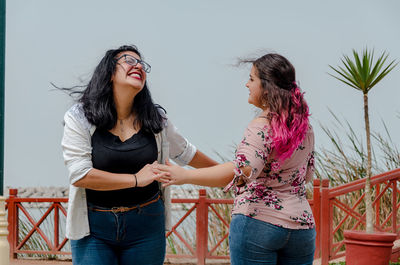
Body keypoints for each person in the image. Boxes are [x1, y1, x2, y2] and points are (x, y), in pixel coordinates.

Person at [61, 45, 217, 265]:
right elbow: (80, 174)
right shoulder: (80, 117)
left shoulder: (156, 119)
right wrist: (136, 180)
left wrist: (230, 173)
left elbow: (186, 153)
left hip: (146, 227)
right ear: (109, 73)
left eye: (142, 63)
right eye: (128, 60)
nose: (138, 66)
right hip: (94, 228)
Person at [155, 53, 316, 265]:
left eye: (252, 79)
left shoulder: (261, 126)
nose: (246, 84)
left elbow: (242, 171)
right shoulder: (305, 128)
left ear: (266, 86)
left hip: (258, 223)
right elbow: (307, 176)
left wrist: (184, 176)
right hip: (301, 228)